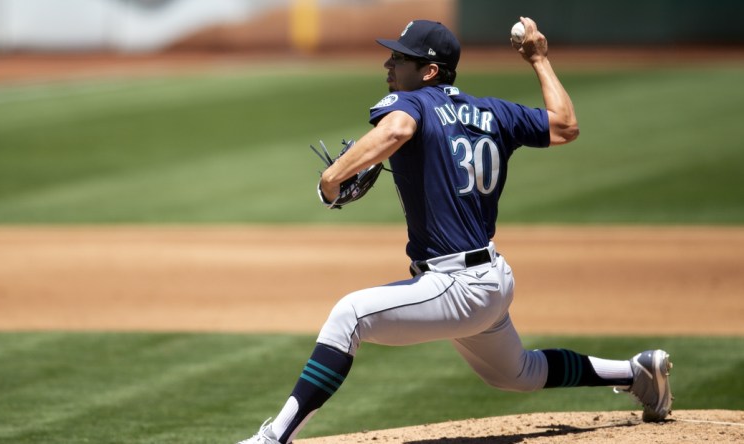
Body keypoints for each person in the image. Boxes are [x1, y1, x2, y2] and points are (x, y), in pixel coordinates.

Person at [238, 17, 673, 444]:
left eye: (400, 58)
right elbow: (565, 126)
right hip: (491, 279)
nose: (389, 66)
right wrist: (539, 59)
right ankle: (637, 373)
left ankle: (273, 438)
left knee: (348, 316)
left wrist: (331, 178)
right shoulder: (493, 111)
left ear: (428, 72)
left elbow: (398, 129)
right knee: (517, 373)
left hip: (457, 283)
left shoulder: (413, 104)